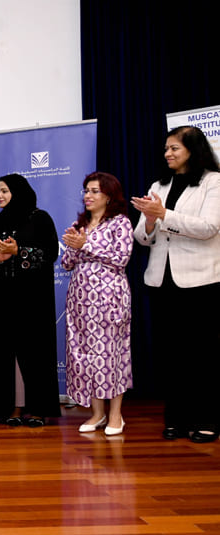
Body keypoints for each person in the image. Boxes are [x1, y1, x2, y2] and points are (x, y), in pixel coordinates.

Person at [132, 125, 220, 443]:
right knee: (171, 355)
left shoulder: (213, 181)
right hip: (162, 281)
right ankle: (176, 420)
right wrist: (150, 220)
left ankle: (207, 420)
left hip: (201, 281)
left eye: (174, 148)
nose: (167, 153)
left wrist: (164, 214)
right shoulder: (159, 184)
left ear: (193, 150)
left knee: (202, 355)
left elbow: (209, 227)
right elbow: (142, 237)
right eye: (166, 148)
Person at [0, 173, 61, 427]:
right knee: (6, 355)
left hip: (34, 302)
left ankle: (38, 409)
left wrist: (18, 251)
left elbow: (50, 252)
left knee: (35, 353)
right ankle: (12, 407)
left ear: (18, 192)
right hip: (3, 302)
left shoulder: (40, 218)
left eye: (4, 191)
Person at [62, 172, 133, 436]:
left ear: (109, 196)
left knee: (110, 355)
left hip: (109, 299)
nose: (87, 196)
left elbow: (121, 259)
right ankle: (97, 413)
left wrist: (87, 245)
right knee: (85, 355)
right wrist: (74, 246)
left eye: (94, 191)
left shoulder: (120, 223)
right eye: (86, 191)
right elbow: (66, 264)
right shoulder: (79, 224)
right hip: (80, 301)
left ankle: (116, 416)